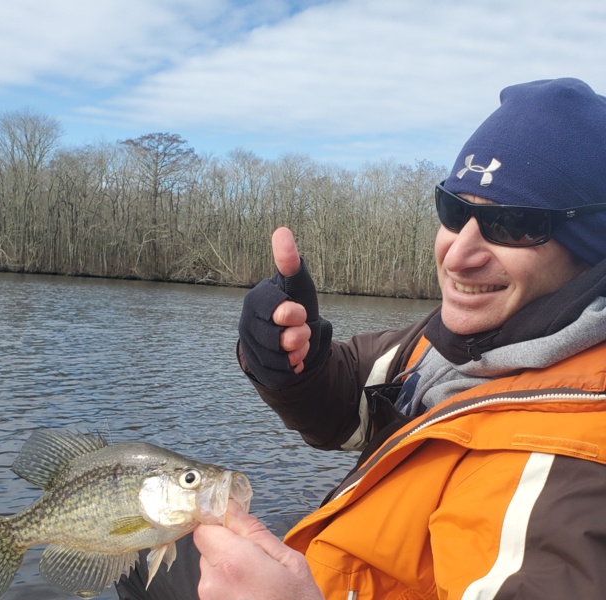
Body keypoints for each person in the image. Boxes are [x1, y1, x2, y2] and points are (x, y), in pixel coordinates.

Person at [193, 77, 606, 600]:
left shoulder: (575, 460)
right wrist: (289, 360)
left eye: (514, 224)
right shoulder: (462, 343)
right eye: (455, 211)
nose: (458, 254)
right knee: (137, 541)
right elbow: (355, 406)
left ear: (591, 251)